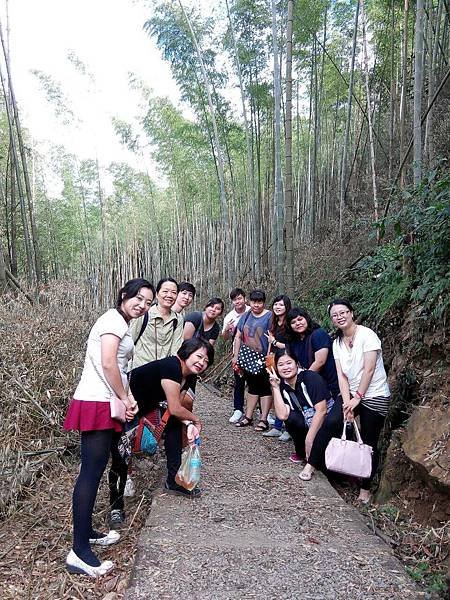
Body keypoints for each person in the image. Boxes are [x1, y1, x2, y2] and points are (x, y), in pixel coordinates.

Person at [63, 278, 154, 577]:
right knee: (91, 471)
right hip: (98, 401)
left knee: (95, 468)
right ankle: (79, 552)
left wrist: (125, 396)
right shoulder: (114, 320)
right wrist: (123, 397)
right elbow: (108, 364)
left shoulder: (120, 321)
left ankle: (86, 532)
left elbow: (116, 366)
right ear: (124, 295)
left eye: (148, 303)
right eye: (139, 299)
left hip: (103, 400)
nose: (142, 305)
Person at [129, 338, 214, 497]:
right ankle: (121, 490)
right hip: (126, 404)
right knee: (122, 448)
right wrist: (196, 420)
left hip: (143, 407)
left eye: (206, 361)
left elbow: (176, 409)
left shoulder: (189, 376)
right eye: (199, 356)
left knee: (175, 425)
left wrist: (188, 424)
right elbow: (175, 408)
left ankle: (173, 481)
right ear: (187, 353)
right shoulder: (172, 366)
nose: (202, 362)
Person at [329, 298, 391, 503]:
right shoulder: (337, 342)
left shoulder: (367, 335)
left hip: (374, 394)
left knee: (369, 440)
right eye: (335, 315)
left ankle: (366, 488)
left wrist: (358, 398)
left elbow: (370, 368)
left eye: (343, 312)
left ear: (351, 313)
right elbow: (341, 376)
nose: (340, 317)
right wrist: (347, 403)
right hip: (352, 395)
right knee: (334, 423)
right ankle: (342, 471)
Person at [267, 348, 342, 480]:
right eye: (281, 364)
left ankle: (314, 458)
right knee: (292, 419)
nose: (285, 367)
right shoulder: (283, 385)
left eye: (289, 363)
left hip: (327, 424)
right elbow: (282, 415)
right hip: (308, 422)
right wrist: (275, 387)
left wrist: (309, 440)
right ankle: (303, 453)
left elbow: (322, 411)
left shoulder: (310, 378)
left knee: (331, 471)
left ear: (297, 364)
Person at [233, 289, 273, 431]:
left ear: (263, 302)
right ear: (249, 302)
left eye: (259, 302)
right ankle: (248, 417)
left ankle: (263, 419)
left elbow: (271, 338)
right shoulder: (246, 315)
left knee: (264, 387)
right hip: (247, 357)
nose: (256, 305)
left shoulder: (269, 316)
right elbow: (238, 336)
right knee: (251, 385)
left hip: (263, 356)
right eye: (254, 302)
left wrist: (269, 358)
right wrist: (236, 356)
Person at [130, 277, 184, 368]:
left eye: (174, 293)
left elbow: (176, 349)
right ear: (157, 294)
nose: (169, 295)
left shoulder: (178, 319)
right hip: (139, 369)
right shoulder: (144, 314)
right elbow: (130, 340)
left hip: (162, 373)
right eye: (165, 291)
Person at [263, 295, 293, 441]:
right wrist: (268, 356)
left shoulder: (290, 323)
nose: (277, 307)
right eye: (275, 304)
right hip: (274, 361)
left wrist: (274, 342)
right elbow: (270, 341)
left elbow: (290, 346)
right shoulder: (274, 322)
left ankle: (289, 428)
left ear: (287, 306)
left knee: (287, 393)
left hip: (287, 363)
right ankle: (277, 426)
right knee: (277, 392)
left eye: (281, 305)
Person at [221, 288, 250, 424]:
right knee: (239, 382)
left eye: (240, 298)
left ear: (245, 298)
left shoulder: (252, 310)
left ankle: (264, 413)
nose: (237, 301)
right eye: (235, 299)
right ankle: (238, 409)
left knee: (259, 383)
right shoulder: (229, 316)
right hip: (238, 352)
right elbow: (225, 338)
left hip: (256, 352)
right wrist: (227, 329)